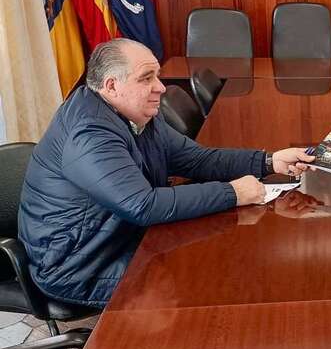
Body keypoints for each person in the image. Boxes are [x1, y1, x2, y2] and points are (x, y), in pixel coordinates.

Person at [18, 38, 315, 308]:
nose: (160, 87)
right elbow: (143, 205)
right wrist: (233, 193)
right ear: (111, 86)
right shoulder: (89, 133)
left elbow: (198, 160)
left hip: (119, 239)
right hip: (79, 266)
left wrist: (269, 162)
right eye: (146, 79)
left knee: (214, 262)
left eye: (157, 76)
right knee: (197, 283)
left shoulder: (133, 114)